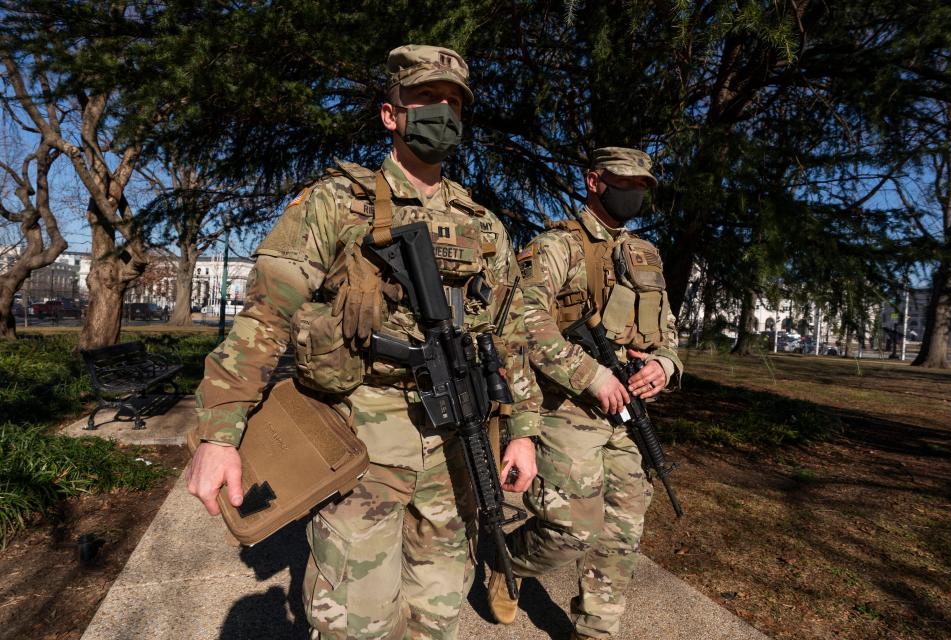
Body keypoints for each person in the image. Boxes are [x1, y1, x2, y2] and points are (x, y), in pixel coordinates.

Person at [185, 44, 540, 640]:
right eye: (426, 98)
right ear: (390, 113)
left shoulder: (486, 227)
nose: (442, 112)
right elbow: (267, 315)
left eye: (454, 103)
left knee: (438, 615)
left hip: (459, 442)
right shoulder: (336, 202)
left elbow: (513, 339)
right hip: (360, 435)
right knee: (354, 622)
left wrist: (525, 431)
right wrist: (220, 433)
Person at [487, 147, 683, 639]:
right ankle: (508, 562)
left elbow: (668, 330)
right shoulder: (556, 246)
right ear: (595, 181)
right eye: (625, 182)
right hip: (566, 406)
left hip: (628, 411)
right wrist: (591, 375)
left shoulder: (647, 255)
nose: (635, 193)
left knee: (623, 529)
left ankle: (595, 630)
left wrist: (664, 365)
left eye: (643, 186)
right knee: (571, 527)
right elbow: (524, 325)